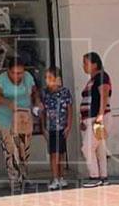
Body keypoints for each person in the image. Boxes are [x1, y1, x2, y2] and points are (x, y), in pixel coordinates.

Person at [0, 57, 39, 191]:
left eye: (20, 73)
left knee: (24, 150)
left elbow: (35, 91)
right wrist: (8, 103)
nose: (18, 76)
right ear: (8, 71)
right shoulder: (1, 80)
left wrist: (37, 102)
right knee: (11, 150)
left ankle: (25, 177)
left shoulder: (28, 77)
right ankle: (14, 180)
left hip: (23, 118)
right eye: (14, 73)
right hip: (6, 119)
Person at [80, 52, 112, 188]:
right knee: (99, 149)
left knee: (87, 148)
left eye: (86, 63)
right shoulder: (93, 79)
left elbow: (103, 94)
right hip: (92, 119)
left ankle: (94, 177)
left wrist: (100, 115)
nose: (83, 66)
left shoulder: (101, 77)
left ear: (94, 64)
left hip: (98, 118)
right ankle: (103, 176)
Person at [40, 67, 73, 190]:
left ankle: (61, 177)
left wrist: (69, 125)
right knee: (53, 154)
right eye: (46, 78)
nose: (47, 81)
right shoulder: (44, 93)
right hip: (51, 128)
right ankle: (55, 178)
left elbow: (69, 109)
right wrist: (43, 127)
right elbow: (43, 111)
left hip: (62, 127)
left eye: (50, 78)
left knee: (61, 153)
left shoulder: (65, 92)